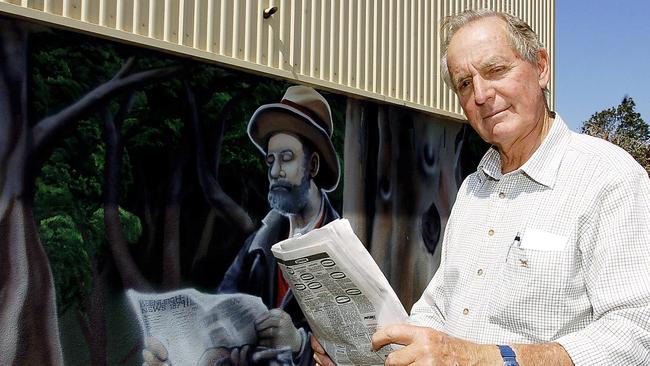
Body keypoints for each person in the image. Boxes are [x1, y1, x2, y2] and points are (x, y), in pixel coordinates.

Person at [311, 9, 650, 366]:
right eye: (464, 83)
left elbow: (637, 331)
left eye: (495, 70)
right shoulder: (474, 188)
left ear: (542, 67)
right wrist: (372, 351)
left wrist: (483, 358)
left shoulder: (607, 176)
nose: (482, 95)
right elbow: (439, 309)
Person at [218, 85, 341, 365]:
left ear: (312, 165)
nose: (274, 172)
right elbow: (222, 307)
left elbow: (356, 347)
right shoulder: (258, 244)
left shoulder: (342, 245)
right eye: (270, 160)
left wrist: (298, 344)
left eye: (286, 158)